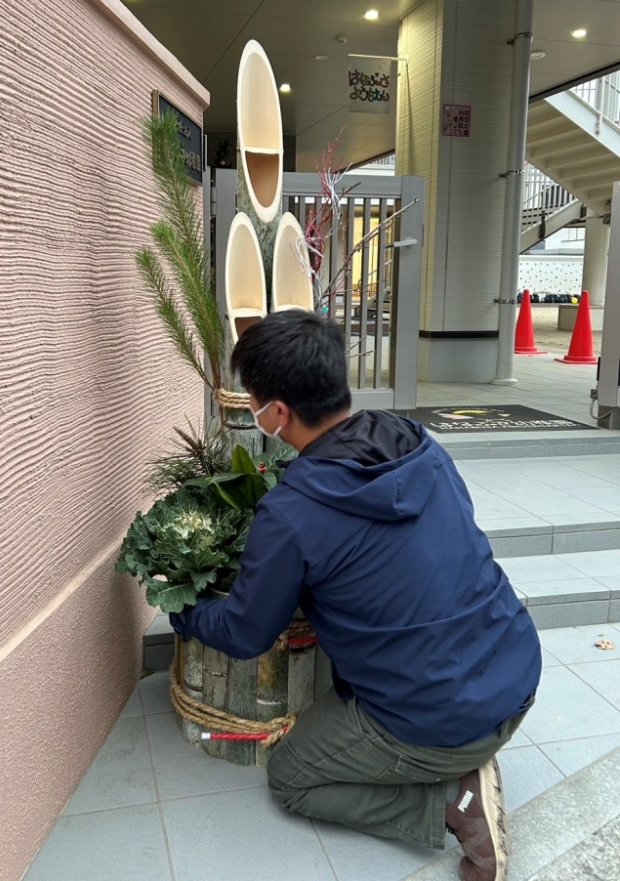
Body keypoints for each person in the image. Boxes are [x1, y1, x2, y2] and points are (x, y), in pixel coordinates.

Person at [170, 309, 541, 881]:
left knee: (292, 776)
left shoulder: (293, 513)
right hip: (515, 669)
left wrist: (186, 611)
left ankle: (453, 800)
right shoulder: (418, 444)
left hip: (443, 717)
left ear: (278, 413)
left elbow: (246, 632)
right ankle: (454, 759)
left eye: (254, 401)